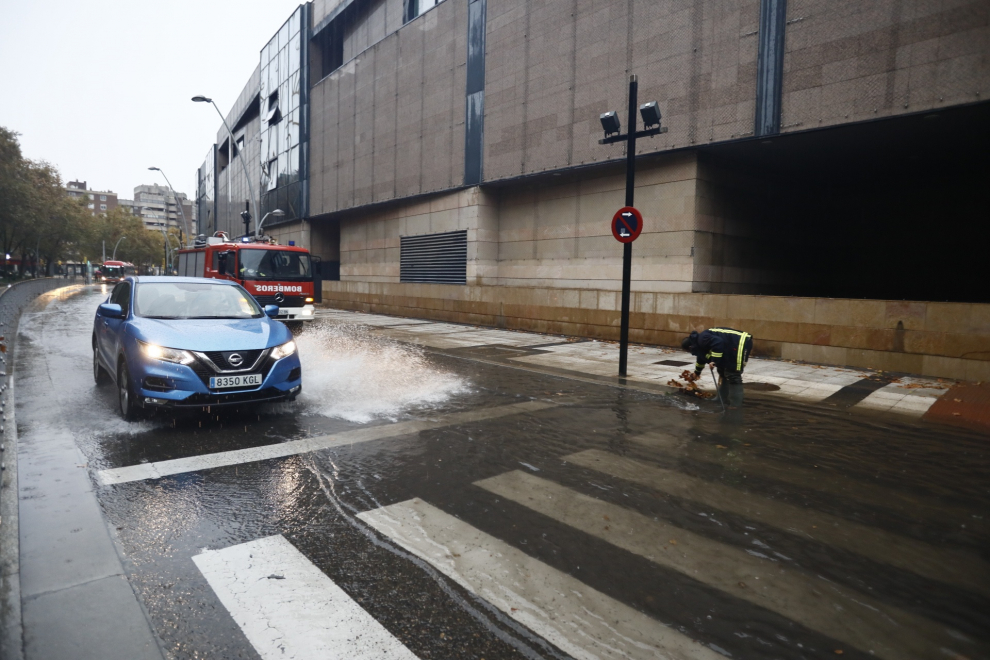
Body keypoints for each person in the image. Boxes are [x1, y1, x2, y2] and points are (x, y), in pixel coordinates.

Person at [681, 327, 753, 407]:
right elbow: (701, 358)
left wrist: (714, 360)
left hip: (740, 342)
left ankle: (735, 404)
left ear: (690, 347)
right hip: (730, 345)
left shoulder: (702, 339)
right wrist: (697, 373)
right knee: (722, 371)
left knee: (733, 373)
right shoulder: (698, 344)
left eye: (688, 351)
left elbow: (718, 342)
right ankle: (721, 399)